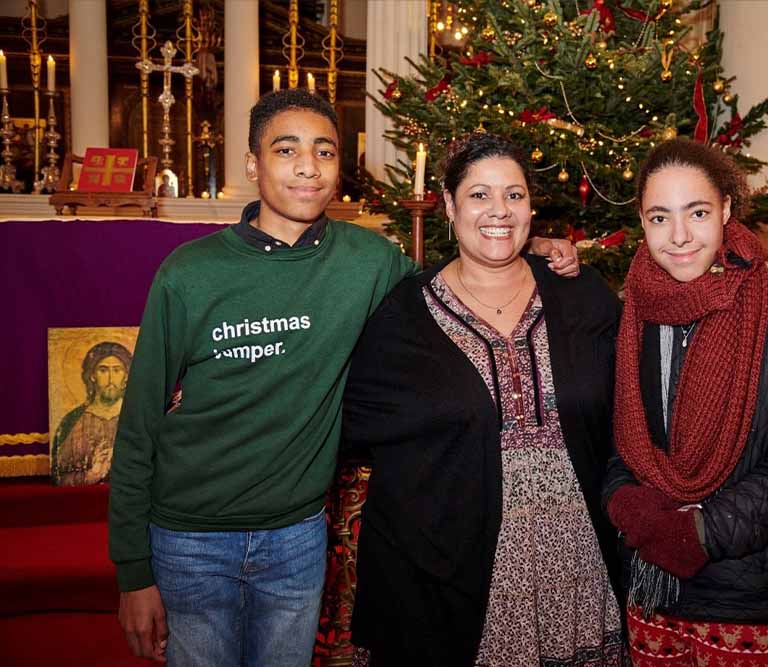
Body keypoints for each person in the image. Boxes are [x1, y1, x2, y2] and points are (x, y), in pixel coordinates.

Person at [108, 90, 578, 666]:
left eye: (324, 151)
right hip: (190, 538)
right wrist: (133, 571)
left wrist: (530, 247)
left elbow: (456, 286)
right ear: (253, 164)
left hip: (297, 536)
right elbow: (137, 426)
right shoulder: (190, 273)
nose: (308, 166)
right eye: (287, 150)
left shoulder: (369, 261)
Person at [342, 132, 625, 666]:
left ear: (531, 208)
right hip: (452, 569)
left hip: (577, 564)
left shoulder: (581, 294)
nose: (499, 211)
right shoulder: (404, 314)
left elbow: (630, 408)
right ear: (448, 204)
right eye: (479, 195)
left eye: (514, 195)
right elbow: (352, 421)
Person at [603, 139, 768, 667]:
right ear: (641, 219)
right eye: (660, 216)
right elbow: (623, 441)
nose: (680, 235)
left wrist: (701, 531)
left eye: (698, 212)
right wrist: (626, 504)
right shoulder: (633, 312)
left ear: (727, 210)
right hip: (651, 583)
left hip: (750, 592)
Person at [52, 341, 131, 486]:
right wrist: (91, 475)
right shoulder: (72, 422)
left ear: (126, 377)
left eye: (117, 370)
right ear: (92, 376)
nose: (111, 379)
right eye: (103, 370)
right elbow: (59, 477)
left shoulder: (137, 418)